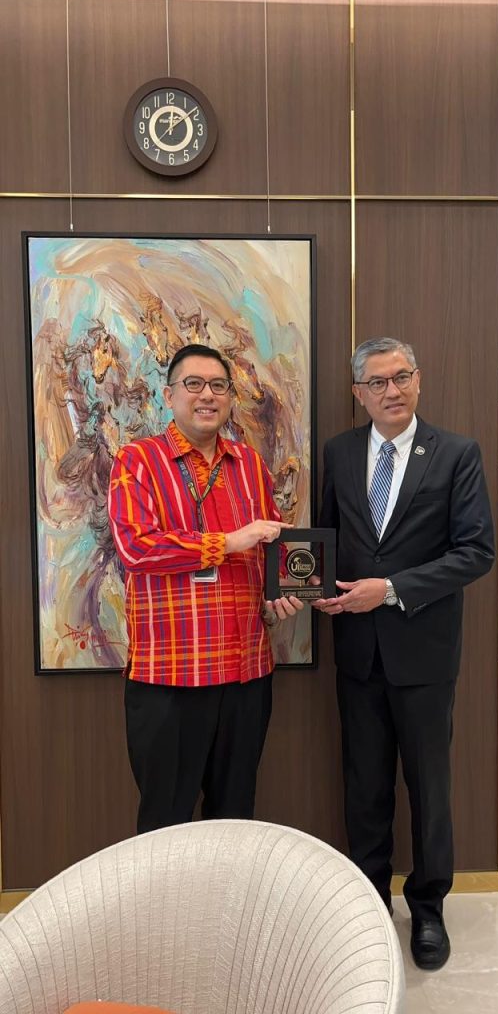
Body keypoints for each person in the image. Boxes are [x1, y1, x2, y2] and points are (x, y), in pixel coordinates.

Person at [315, 337, 494, 970]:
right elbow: (325, 536)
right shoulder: (338, 452)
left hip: (423, 655)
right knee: (363, 786)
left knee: (429, 787)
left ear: (418, 380)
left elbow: (476, 552)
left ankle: (428, 906)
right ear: (358, 393)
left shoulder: (456, 453)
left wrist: (389, 589)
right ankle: (368, 905)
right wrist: (312, 588)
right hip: (357, 652)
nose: (392, 391)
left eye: (402, 377)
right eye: (378, 382)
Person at [108, 343, 302, 834]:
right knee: (165, 823)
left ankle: (227, 892)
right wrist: (228, 542)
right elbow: (136, 548)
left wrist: (279, 596)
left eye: (218, 386)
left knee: (235, 818)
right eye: (193, 384)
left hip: (246, 674)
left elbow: (273, 547)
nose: (207, 395)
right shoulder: (137, 461)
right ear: (169, 395)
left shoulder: (250, 464)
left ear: (231, 396)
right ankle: (166, 894)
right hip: (170, 676)